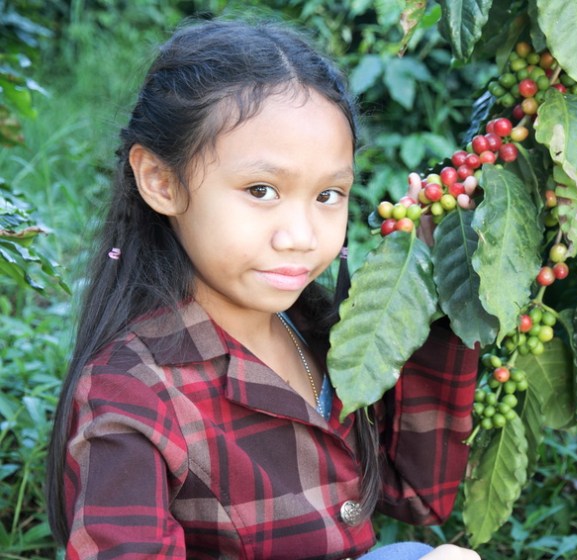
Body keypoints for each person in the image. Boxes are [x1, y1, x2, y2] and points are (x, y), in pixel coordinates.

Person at [45, 17, 481, 560]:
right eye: (261, 190)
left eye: (329, 195)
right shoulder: (134, 392)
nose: (300, 237)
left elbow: (416, 493)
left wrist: (435, 289)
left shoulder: (322, 332)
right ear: (161, 181)